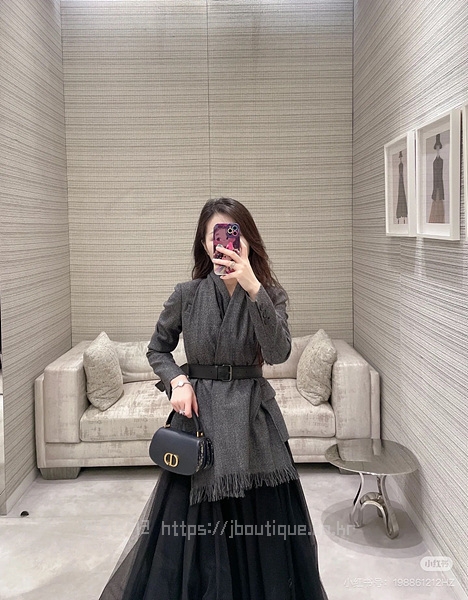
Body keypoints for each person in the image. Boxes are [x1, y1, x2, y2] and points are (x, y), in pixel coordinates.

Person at [98, 197, 329, 600]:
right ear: (204, 244)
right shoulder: (186, 294)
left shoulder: (269, 294)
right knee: (193, 539)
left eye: (232, 233)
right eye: (215, 236)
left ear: (246, 240)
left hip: (254, 425)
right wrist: (177, 382)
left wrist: (253, 287)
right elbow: (157, 349)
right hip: (200, 421)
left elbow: (278, 353)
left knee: (265, 533)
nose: (224, 243)